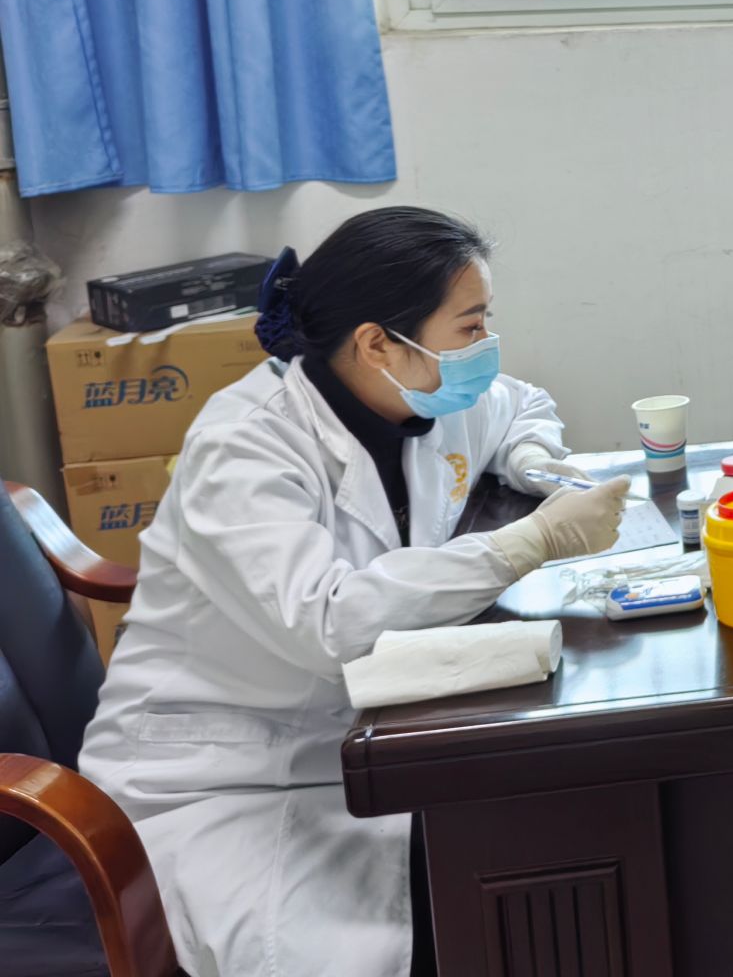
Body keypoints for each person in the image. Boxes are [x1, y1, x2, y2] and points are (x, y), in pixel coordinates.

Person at [78, 207, 631, 977]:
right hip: (227, 770)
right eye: (470, 326)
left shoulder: (416, 396)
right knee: (406, 928)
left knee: (542, 839)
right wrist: (525, 544)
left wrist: (534, 459)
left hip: (360, 732)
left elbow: (519, 404)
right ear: (377, 344)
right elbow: (327, 622)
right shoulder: (245, 445)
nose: (485, 345)